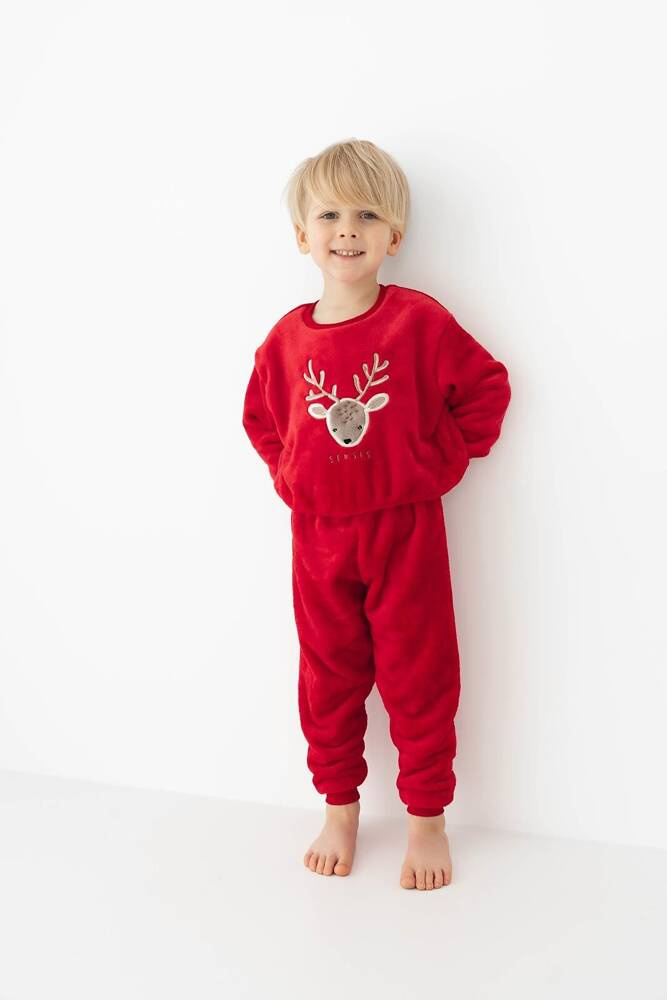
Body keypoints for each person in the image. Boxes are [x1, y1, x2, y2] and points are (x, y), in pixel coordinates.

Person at [242, 138, 511, 890]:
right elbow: (261, 418)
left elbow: (486, 388)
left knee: (421, 674)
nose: (347, 230)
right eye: (329, 215)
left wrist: (436, 465)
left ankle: (427, 818)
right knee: (327, 676)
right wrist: (291, 476)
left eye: (366, 215)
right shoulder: (285, 342)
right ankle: (339, 807)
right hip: (319, 539)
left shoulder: (418, 323)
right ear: (302, 234)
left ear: (394, 235)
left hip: (405, 531)